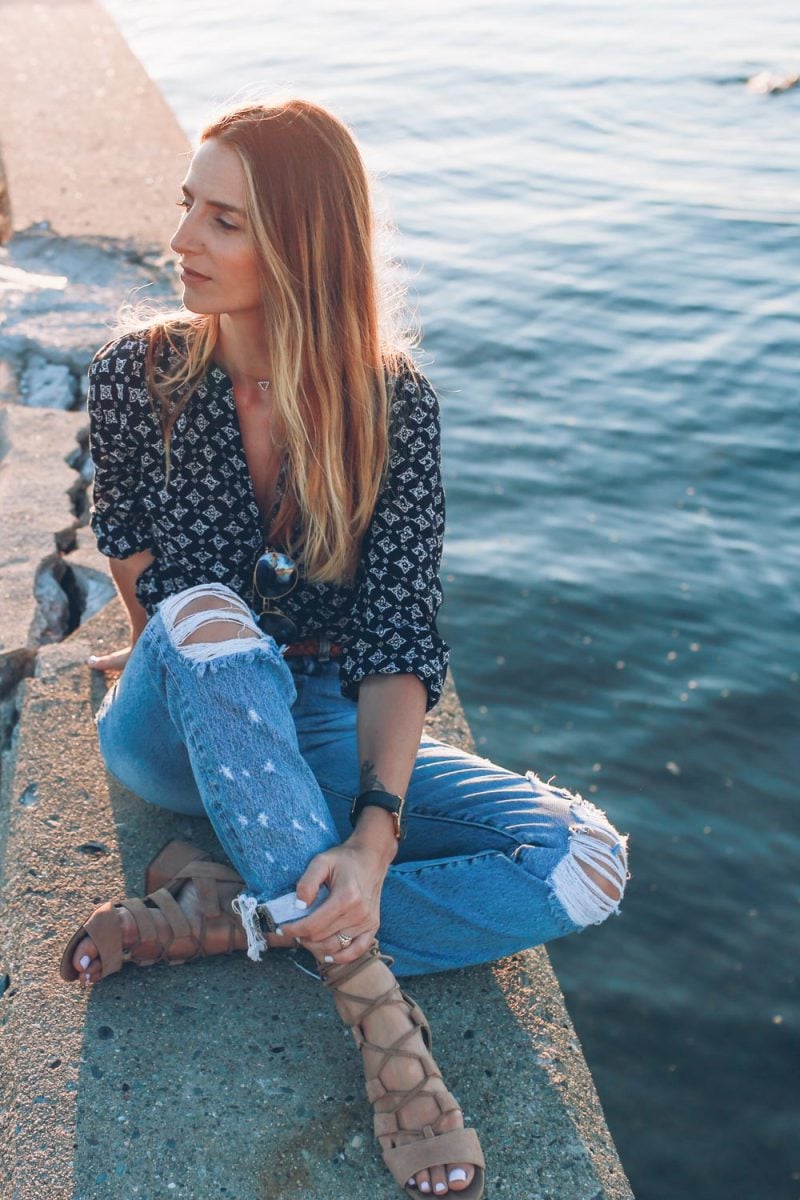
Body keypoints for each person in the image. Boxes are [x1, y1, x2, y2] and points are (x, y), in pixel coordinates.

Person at [58, 99, 629, 1200]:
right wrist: (166, 655)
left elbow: (397, 633)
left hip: (316, 712)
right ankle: (374, 1011)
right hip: (176, 714)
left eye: (222, 221)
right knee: (210, 616)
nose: (179, 242)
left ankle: (235, 918)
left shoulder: (390, 404)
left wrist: (371, 839)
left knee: (583, 859)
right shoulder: (139, 377)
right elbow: (154, 596)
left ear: (301, 243)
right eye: (188, 207)